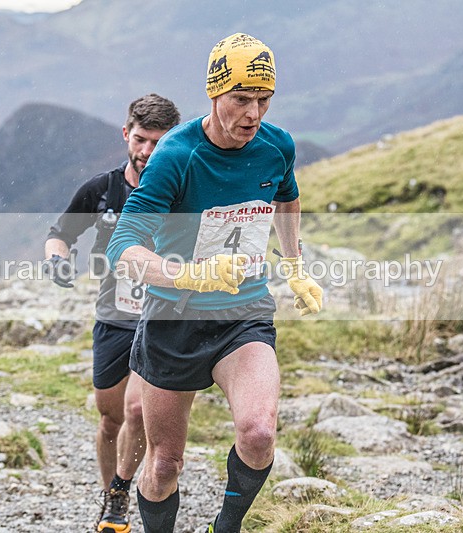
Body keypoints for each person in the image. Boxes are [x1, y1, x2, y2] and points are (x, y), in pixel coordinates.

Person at [105, 33, 323, 533]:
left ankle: (226, 527)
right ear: (214, 94)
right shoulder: (177, 155)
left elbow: (287, 197)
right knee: (163, 465)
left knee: (259, 432)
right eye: (241, 100)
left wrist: (294, 264)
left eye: (264, 101)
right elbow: (125, 246)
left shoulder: (276, 146)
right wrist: (191, 275)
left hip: (242, 312)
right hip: (173, 318)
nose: (253, 114)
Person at [44, 94, 180, 533]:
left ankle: (123, 498)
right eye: (141, 140)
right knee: (111, 417)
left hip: (161, 319)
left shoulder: (184, 190)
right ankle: (112, 499)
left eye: (160, 143)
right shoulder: (101, 189)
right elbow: (60, 233)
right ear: (126, 134)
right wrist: (57, 259)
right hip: (113, 318)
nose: (147, 152)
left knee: (137, 410)